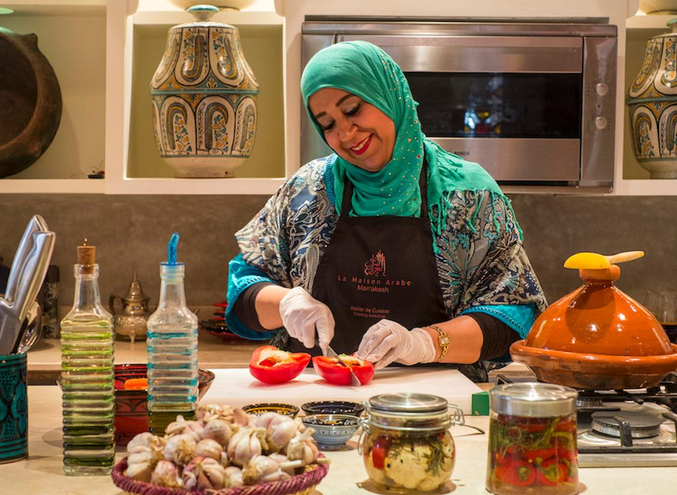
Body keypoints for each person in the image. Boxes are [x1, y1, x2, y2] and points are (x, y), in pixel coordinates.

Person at [224, 41, 546, 381]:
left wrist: (424, 343)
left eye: (352, 110)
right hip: (319, 406)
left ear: (388, 95)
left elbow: (513, 315)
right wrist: (286, 304)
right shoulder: (306, 191)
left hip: (435, 407)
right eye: (327, 123)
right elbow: (243, 292)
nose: (345, 133)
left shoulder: (467, 195)